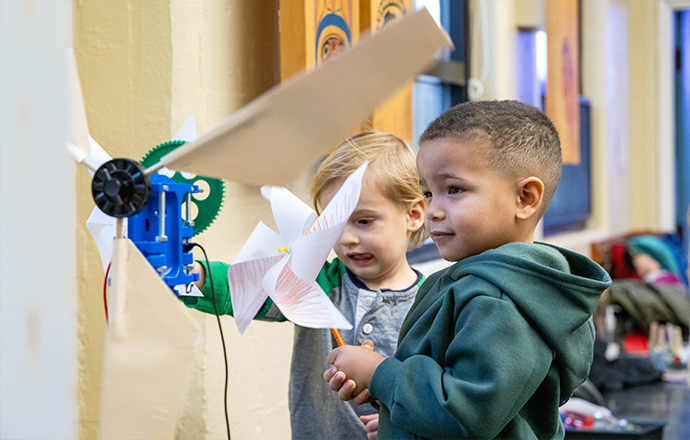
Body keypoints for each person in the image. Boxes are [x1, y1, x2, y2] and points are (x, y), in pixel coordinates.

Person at [323, 100, 613, 439]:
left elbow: (464, 415)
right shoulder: (468, 283)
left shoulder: (501, 301)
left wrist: (381, 374)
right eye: (428, 192)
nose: (432, 211)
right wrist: (389, 404)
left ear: (526, 198)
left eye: (454, 190)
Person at [185, 131, 426, 440]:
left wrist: (410, 428)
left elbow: (440, 397)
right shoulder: (314, 284)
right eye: (334, 223)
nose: (348, 238)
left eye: (364, 221)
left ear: (413, 214)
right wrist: (192, 274)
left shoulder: (434, 302)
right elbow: (245, 286)